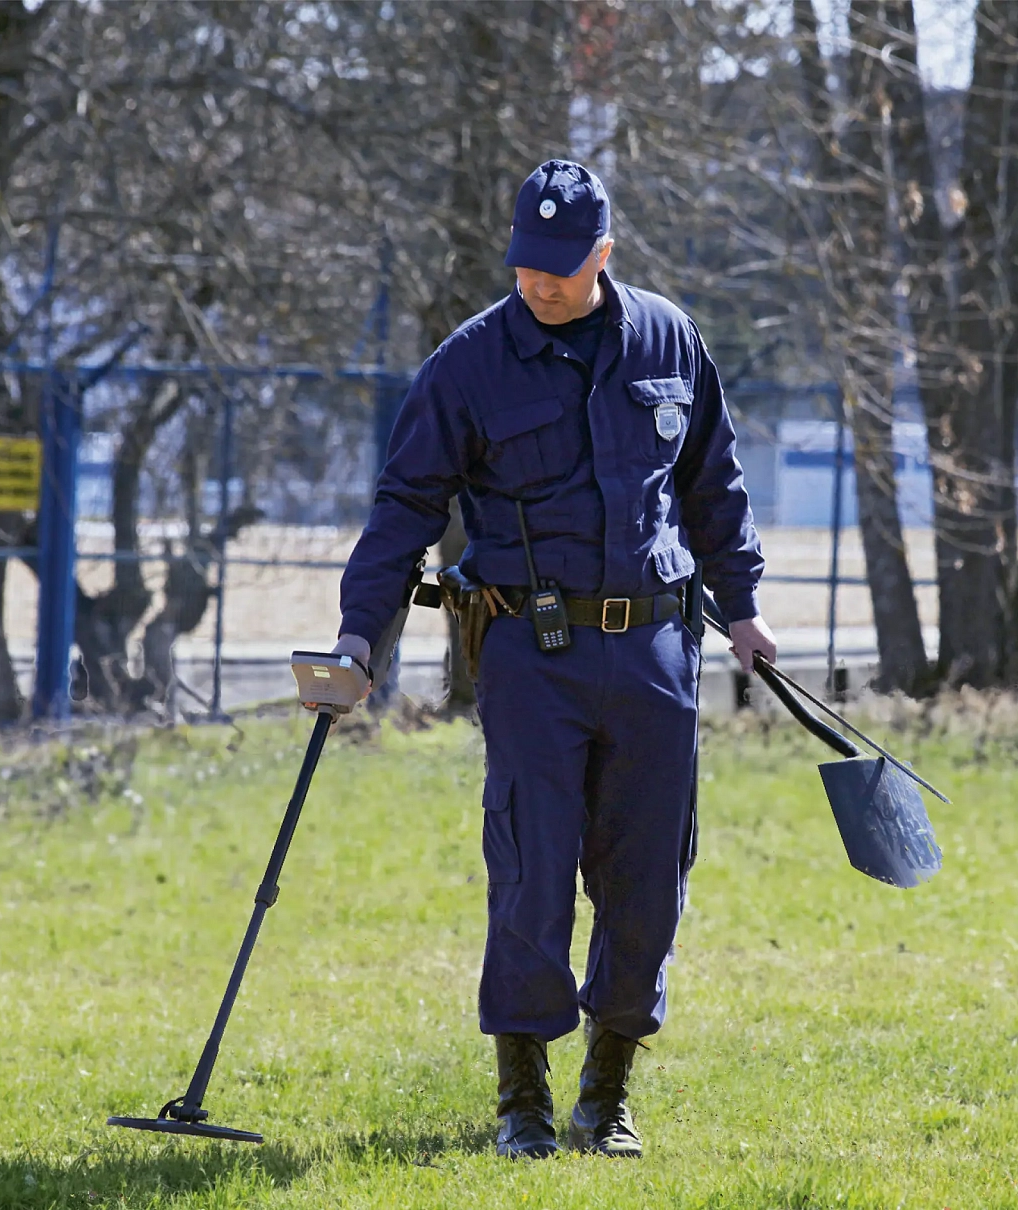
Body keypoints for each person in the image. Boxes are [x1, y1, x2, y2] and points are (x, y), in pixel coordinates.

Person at [331, 160, 776, 1159]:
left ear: (602, 255)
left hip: (656, 647)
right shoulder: (469, 363)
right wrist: (360, 635)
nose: (538, 283)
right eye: (526, 265)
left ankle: (605, 1094)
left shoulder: (667, 338)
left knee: (647, 873)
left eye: (560, 268)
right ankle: (521, 1098)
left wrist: (743, 608)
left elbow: (713, 482)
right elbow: (404, 505)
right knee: (532, 867)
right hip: (532, 651)